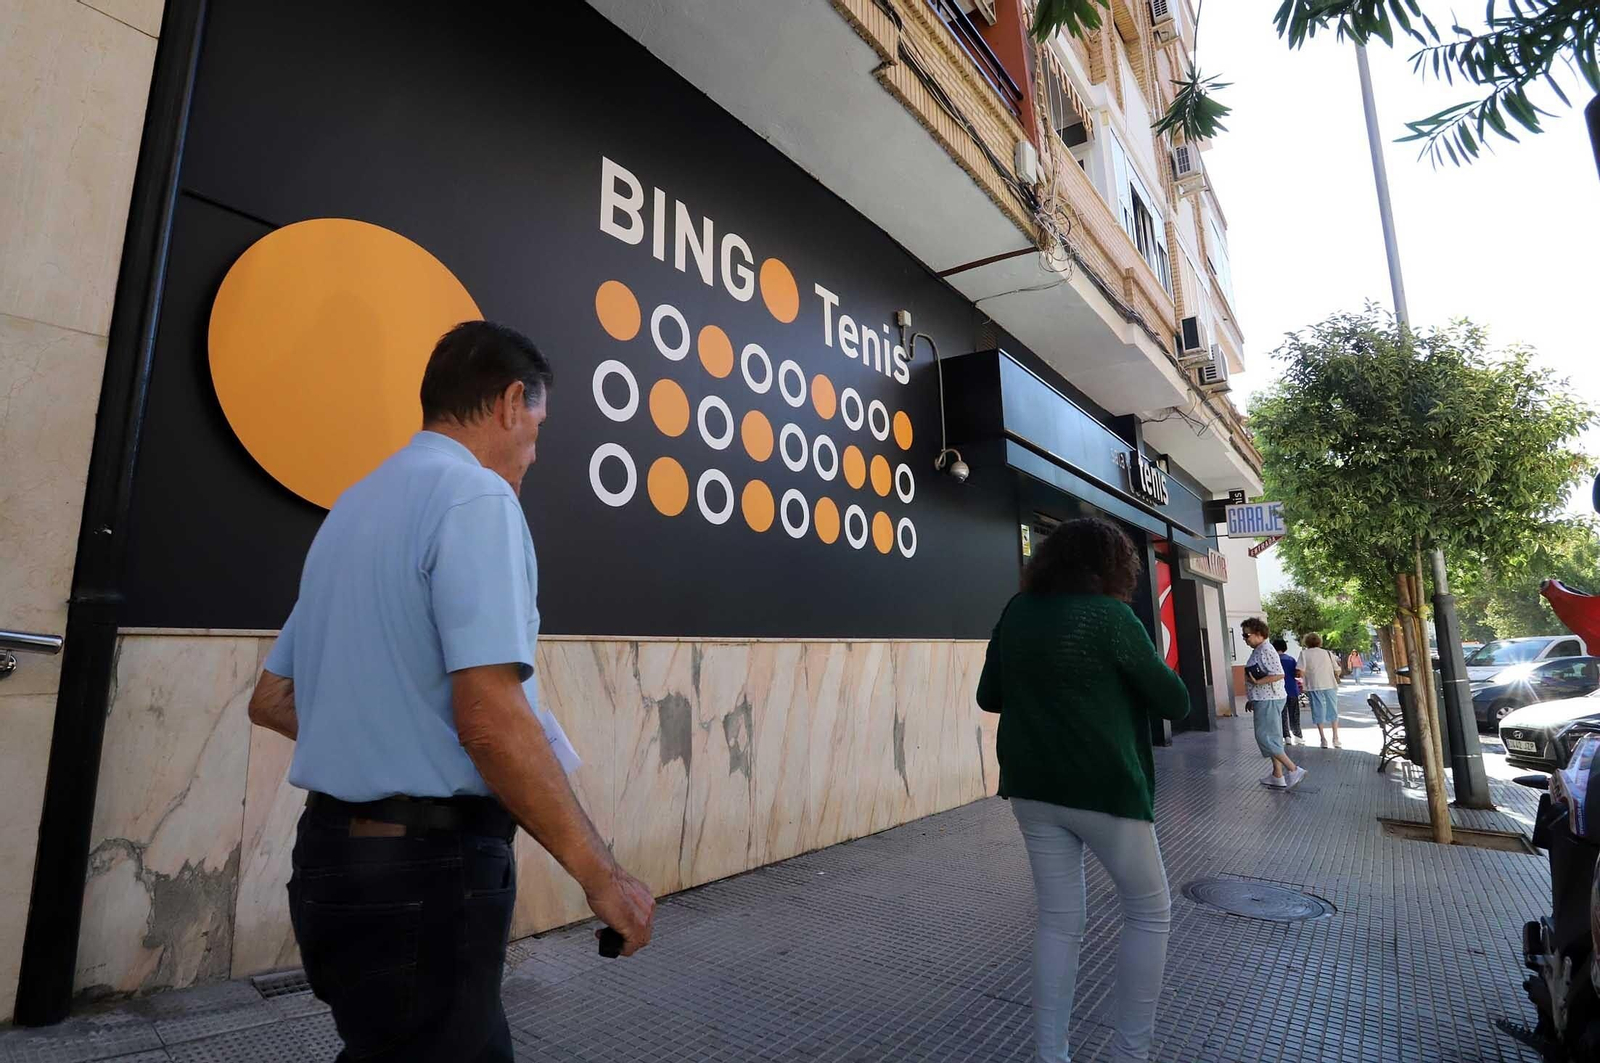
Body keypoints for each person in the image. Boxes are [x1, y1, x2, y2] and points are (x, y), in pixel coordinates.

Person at [246, 321, 655, 1062]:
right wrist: (605, 879)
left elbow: (272, 698)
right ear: (509, 402)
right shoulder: (476, 498)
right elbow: (491, 722)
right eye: (538, 427)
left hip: (329, 865)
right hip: (426, 875)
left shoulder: (352, 509)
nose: (535, 451)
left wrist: (385, 734)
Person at [977, 517, 1191, 1063]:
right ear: (1116, 567)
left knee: (1057, 921)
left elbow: (988, 695)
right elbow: (1175, 702)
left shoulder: (1017, 611)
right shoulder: (1113, 618)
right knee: (1149, 912)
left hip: (1032, 787)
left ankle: (1052, 1055)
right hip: (1105, 787)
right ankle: (1130, 1053)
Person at [1243, 618, 1305, 791]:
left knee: (1265, 737)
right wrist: (1253, 697)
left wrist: (1257, 683)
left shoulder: (1266, 650)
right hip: (1265, 698)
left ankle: (1293, 769)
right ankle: (1277, 775)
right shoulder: (1260, 650)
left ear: (1258, 634)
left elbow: (1278, 674)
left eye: (1246, 635)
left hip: (1268, 699)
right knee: (1273, 736)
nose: (1245, 639)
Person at [1301, 632, 1342, 748]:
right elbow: (1337, 669)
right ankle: (1335, 738)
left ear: (1307, 642)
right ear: (1319, 642)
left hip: (1313, 685)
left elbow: (1300, 671)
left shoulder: (1304, 654)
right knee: (1333, 710)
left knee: (1317, 711)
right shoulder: (1327, 653)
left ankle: (1323, 739)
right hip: (1329, 684)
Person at [1274, 637, 1303, 746]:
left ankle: (1286, 736)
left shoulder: (1274, 660)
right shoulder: (1291, 659)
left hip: (1279, 691)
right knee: (1294, 713)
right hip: (1292, 689)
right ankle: (1298, 736)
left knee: (1282, 714)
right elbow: (1296, 674)